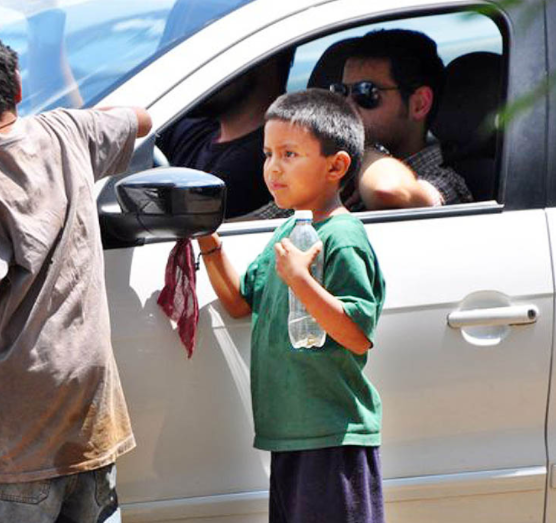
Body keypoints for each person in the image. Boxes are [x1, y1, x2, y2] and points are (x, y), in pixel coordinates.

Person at [0, 22, 152, 523]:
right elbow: (141, 120)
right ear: (16, 87)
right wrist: (78, 118)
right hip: (90, 410)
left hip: (19, 427)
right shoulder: (68, 130)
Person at [197, 89, 386, 522]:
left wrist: (301, 280)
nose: (272, 168)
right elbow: (241, 304)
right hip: (290, 436)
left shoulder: (342, 236)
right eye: (267, 154)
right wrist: (208, 241)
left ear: (336, 166)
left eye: (289, 153)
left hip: (332, 436)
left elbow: (356, 334)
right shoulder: (288, 230)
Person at [243, 29, 472, 221]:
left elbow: (388, 191)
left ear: (419, 104)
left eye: (366, 92)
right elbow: (250, 226)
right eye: (341, 92)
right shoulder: (334, 175)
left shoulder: (445, 181)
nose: (348, 105)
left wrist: (358, 149)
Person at [156, 53, 292, 218]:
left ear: (264, 62)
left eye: (214, 59)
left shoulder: (255, 164)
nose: (198, 71)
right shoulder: (194, 129)